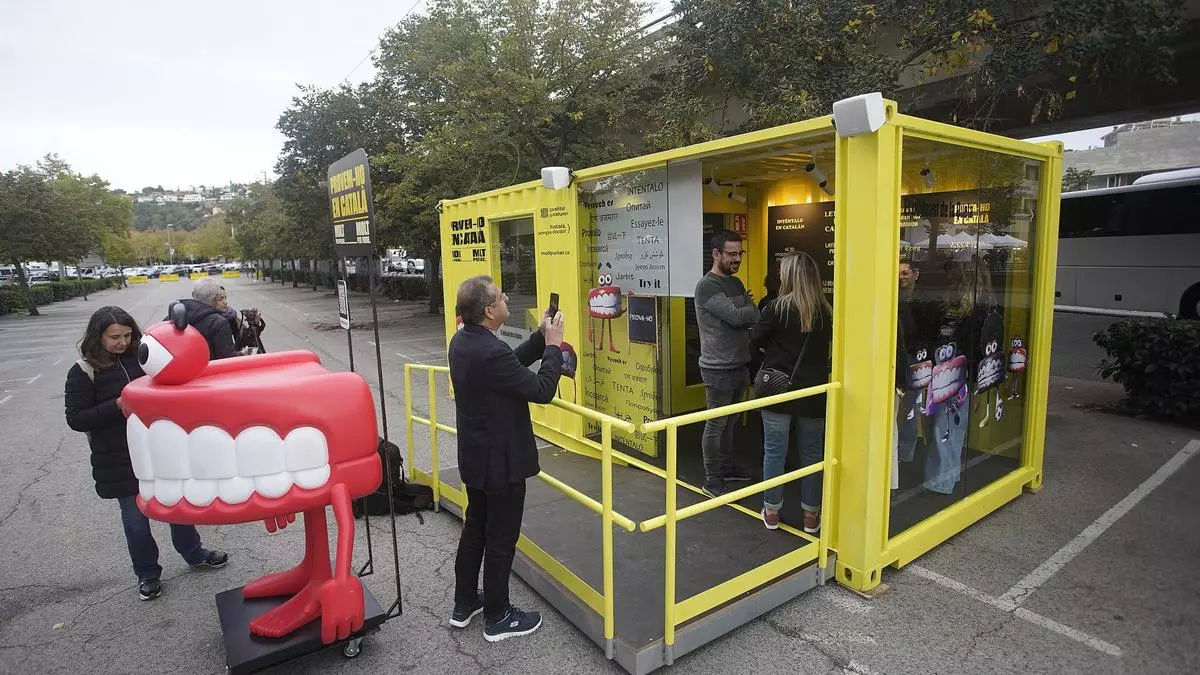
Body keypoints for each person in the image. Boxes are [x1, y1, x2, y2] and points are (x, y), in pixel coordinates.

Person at [64, 306, 228, 601]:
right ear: (97, 336)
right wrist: (115, 406)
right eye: (114, 337)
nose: (122, 342)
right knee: (135, 520)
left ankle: (194, 553)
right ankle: (148, 574)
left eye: (127, 335)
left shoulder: (143, 357)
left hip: (158, 450)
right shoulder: (83, 371)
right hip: (119, 458)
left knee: (177, 506)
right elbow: (76, 419)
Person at [447, 275, 564, 642]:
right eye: (500, 297)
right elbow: (542, 390)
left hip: (477, 458)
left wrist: (539, 337)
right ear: (488, 310)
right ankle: (498, 616)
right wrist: (554, 347)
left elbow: (508, 366)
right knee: (500, 538)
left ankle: (465, 603)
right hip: (502, 462)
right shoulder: (487, 349)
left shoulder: (464, 341)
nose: (506, 298)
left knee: (476, 527)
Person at [750, 253, 832, 532]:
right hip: (814, 392)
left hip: (778, 390)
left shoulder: (776, 308)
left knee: (774, 452)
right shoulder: (827, 312)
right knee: (812, 454)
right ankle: (811, 516)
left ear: (791, 276)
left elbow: (755, 340)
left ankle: (772, 511)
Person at [694, 229, 759, 498]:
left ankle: (726, 467)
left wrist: (747, 311)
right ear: (716, 254)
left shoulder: (736, 283)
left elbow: (751, 314)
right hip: (717, 367)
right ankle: (712, 479)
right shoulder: (707, 285)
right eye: (731, 254)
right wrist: (747, 309)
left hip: (738, 364)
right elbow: (739, 316)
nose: (737, 259)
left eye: (739, 254)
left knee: (731, 422)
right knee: (716, 424)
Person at [169, 277, 239, 359]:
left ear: (193, 294)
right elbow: (226, 358)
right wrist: (242, 354)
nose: (225, 302)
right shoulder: (219, 323)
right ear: (216, 298)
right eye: (221, 298)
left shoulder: (174, 316)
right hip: (211, 370)